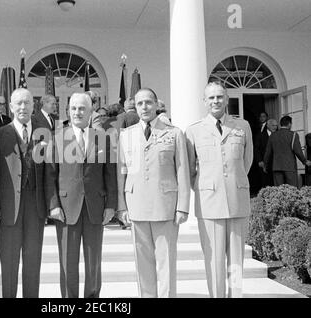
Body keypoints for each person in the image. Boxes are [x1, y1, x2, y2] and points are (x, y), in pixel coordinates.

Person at [117, 88, 190, 298]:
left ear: (157, 105)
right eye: (139, 103)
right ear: (135, 107)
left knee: (166, 263)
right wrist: (122, 205)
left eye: (148, 102)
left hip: (165, 206)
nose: (144, 107)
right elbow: (121, 172)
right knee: (143, 264)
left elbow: (182, 170)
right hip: (136, 205)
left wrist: (182, 206)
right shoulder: (126, 135)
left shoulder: (174, 133)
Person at [45, 92, 117, 298]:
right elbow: (50, 175)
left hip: (95, 206)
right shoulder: (56, 138)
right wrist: (53, 205)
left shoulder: (102, 138)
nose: (77, 112)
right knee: (68, 260)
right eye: (74, 108)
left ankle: (93, 299)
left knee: (94, 260)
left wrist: (111, 205)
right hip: (66, 209)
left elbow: (109, 173)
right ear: (68, 110)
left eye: (82, 108)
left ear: (90, 111)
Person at [185, 81, 253, 298]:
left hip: (237, 200)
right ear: (204, 101)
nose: (216, 101)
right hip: (209, 202)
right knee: (213, 260)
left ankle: (236, 295)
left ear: (227, 99)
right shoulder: (193, 130)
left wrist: (233, 181)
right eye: (211, 97)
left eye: (219, 97)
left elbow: (247, 160)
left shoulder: (242, 126)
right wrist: (206, 186)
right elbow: (189, 169)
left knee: (236, 261)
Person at [0, 88, 47, 298]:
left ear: (34, 106)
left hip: (35, 205)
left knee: (33, 259)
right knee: (9, 260)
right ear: (11, 107)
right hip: (7, 205)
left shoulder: (44, 132)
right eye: (18, 103)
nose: (23, 107)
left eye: (27, 103)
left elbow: (49, 171)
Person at [263, 115, 311, 187]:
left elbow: (268, 152)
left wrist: (265, 164)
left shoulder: (273, 135)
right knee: (292, 189)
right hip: (289, 166)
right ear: (289, 124)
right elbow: (298, 151)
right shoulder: (293, 135)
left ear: (280, 124)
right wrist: (304, 161)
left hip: (276, 166)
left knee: (279, 190)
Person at [254, 118, 278, 188]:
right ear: (268, 126)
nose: (275, 127)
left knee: (276, 183)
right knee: (266, 183)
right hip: (265, 163)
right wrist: (259, 160)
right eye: (273, 125)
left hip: (277, 163)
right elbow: (256, 149)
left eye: (276, 125)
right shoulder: (260, 136)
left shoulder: (278, 135)